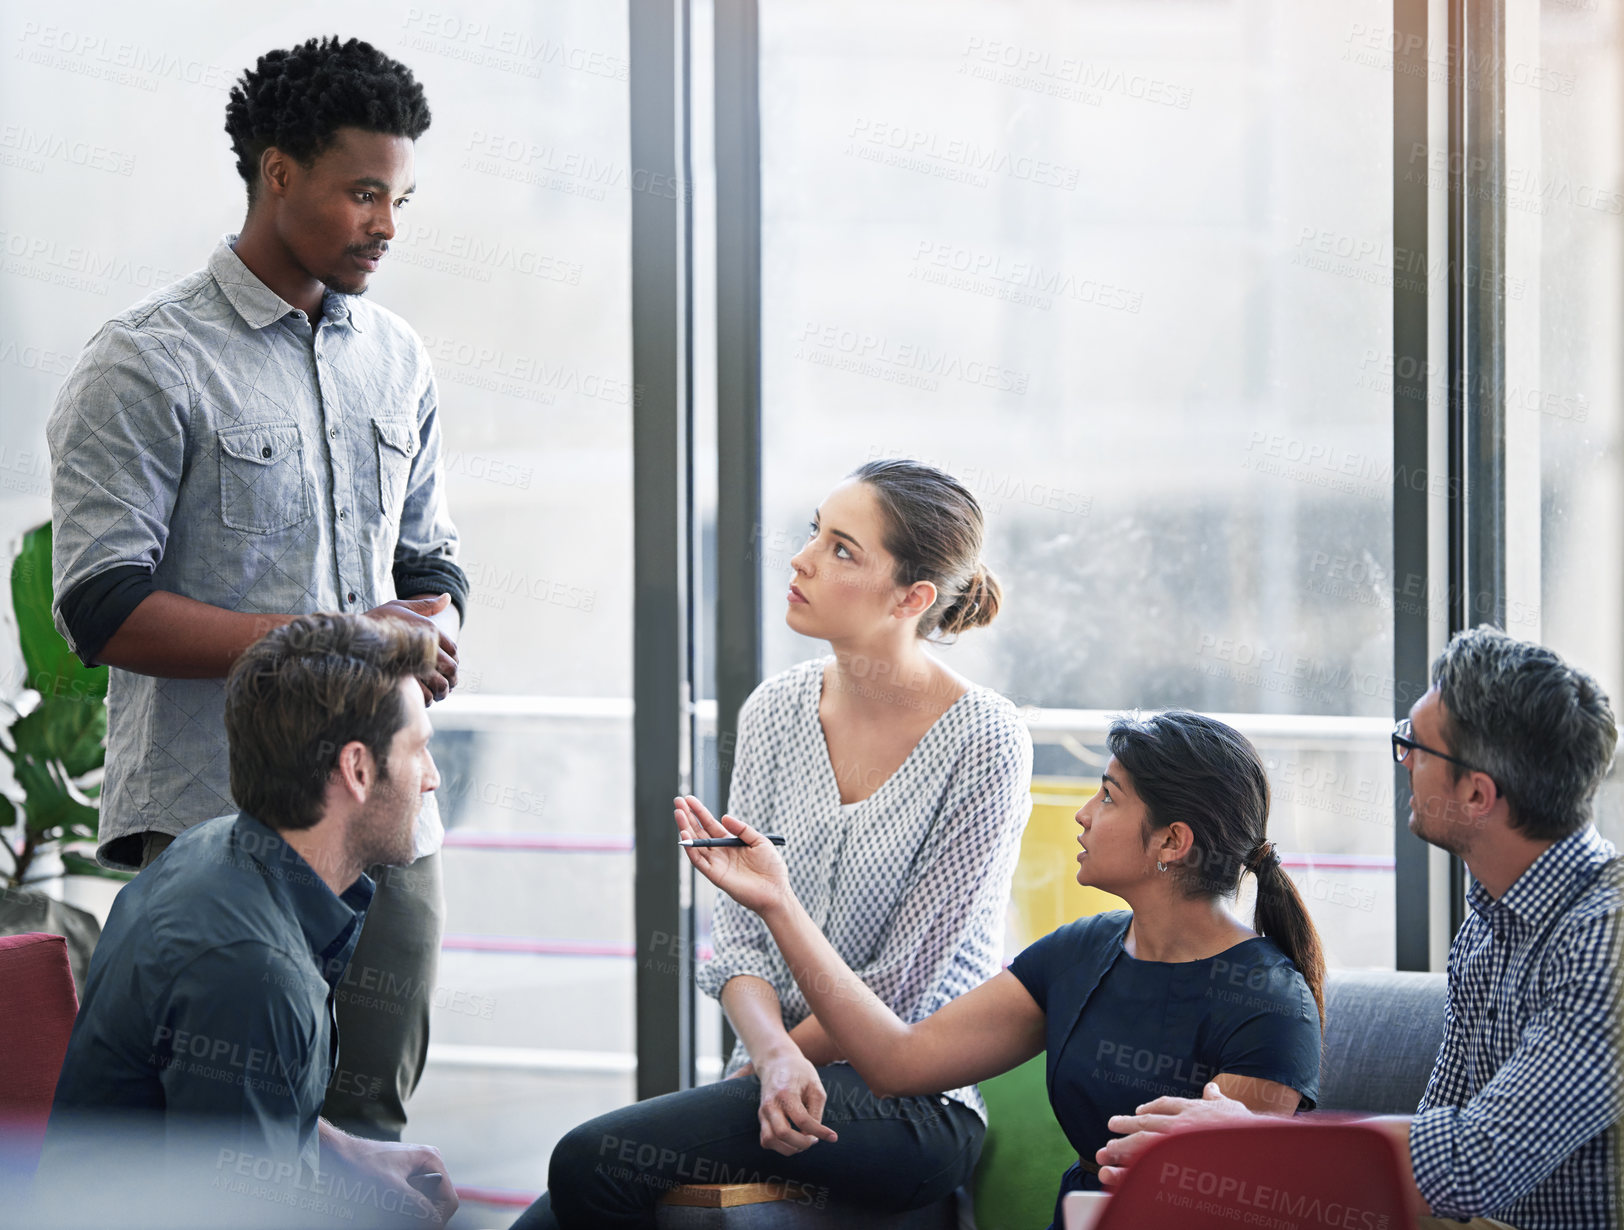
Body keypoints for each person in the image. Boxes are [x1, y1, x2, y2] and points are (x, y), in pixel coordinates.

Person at [45, 35, 466, 1143]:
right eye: (363, 192)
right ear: (278, 172)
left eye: (400, 197)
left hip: (383, 828)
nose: (386, 224)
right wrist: (344, 638)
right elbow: (102, 607)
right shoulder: (143, 361)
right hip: (209, 821)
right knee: (222, 1161)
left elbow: (427, 563)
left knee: (365, 1132)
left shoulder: (398, 357)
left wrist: (431, 629)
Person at [512, 459, 1034, 1227]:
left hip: (909, 1103)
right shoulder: (776, 710)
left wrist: (787, 1059)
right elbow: (740, 944)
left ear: (912, 598)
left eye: (843, 549)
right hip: (770, 1077)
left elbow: (901, 984)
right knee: (558, 1208)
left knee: (591, 1159)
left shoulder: (985, 740)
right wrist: (772, 1055)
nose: (803, 558)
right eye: (815, 532)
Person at [677, 707, 1325, 1230]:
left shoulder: (1268, 1003)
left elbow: (1226, 1206)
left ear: (1172, 842)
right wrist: (778, 903)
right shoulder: (1081, 951)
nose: (1082, 814)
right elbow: (898, 1061)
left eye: (1107, 796)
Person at [1098, 626, 1621, 1230]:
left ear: (1477, 794)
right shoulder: (1487, 922)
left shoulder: (1604, 940)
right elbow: (1435, 1138)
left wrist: (1253, 1142)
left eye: (1415, 747)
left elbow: (1477, 1162)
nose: (1403, 763)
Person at [41, 613, 459, 1228]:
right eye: (418, 750)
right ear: (358, 770)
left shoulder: (216, 848)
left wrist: (346, 1151)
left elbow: (217, 1102)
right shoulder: (251, 973)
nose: (432, 778)